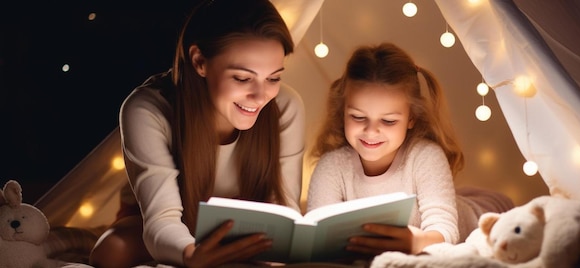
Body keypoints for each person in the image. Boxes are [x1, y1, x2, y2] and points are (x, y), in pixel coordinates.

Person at [89, 0, 305, 267]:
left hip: (244, 225)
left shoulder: (285, 106)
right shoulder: (148, 110)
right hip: (169, 223)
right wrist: (192, 255)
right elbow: (162, 219)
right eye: (242, 78)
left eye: (273, 78)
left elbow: (284, 206)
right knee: (111, 251)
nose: (261, 96)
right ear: (200, 61)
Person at [306, 42, 513, 258]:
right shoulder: (332, 166)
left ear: (411, 118)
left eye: (388, 121)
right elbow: (317, 235)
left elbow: (445, 230)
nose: (371, 131)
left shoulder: (424, 155)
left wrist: (416, 241)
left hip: (485, 214)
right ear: (342, 111)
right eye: (358, 117)